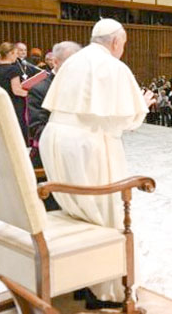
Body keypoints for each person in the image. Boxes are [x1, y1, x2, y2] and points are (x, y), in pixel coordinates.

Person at [39, 19, 155, 306]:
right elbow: (126, 119)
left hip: (55, 140)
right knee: (106, 212)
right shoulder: (112, 66)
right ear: (116, 42)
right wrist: (143, 104)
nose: (123, 50)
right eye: (124, 44)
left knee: (77, 209)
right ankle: (110, 290)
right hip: (86, 145)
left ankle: (81, 279)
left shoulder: (72, 62)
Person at [28, 41, 81, 167]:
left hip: (79, 155)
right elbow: (37, 128)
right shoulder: (39, 89)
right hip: (50, 158)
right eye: (70, 62)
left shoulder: (82, 86)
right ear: (55, 62)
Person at [0, 42, 29, 143]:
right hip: (15, 102)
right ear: (10, 54)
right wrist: (30, 94)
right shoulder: (13, 69)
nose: (17, 56)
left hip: (5, 100)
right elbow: (16, 90)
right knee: (18, 125)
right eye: (15, 53)